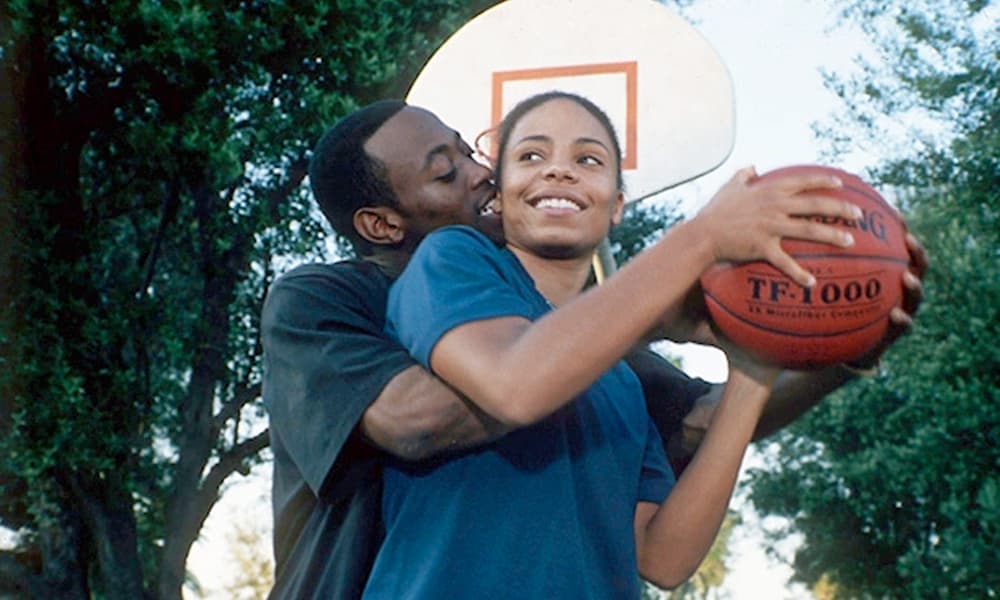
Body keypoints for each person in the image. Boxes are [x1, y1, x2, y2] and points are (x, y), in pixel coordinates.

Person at [261, 99, 926, 599]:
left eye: (469, 150)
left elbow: (701, 428)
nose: (479, 173)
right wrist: (673, 273)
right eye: (446, 172)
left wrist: (839, 348)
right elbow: (421, 416)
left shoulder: (587, 344)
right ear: (382, 224)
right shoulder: (325, 299)